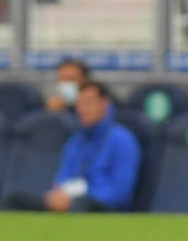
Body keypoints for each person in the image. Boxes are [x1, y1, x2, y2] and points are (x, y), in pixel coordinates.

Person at [43, 81, 142, 212]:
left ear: (105, 104)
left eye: (88, 102)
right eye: (79, 103)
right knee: (16, 199)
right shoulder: (75, 141)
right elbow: (62, 179)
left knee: (82, 204)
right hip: (72, 203)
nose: (82, 109)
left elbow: (121, 193)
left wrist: (78, 199)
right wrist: (57, 196)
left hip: (104, 210)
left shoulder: (123, 140)